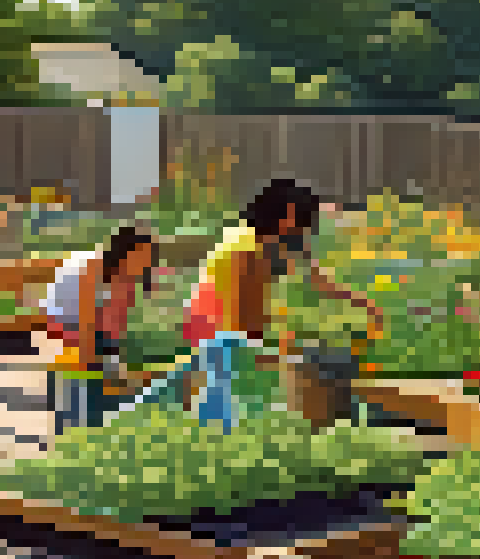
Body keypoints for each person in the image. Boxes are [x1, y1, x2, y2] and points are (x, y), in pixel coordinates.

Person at [181, 179, 386, 431]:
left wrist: (363, 303)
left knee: (324, 363)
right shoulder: (248, 251)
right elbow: (244, 318)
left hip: (226, 338)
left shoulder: (266, 241)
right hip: (221, 343)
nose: (306, 230)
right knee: (326, 369)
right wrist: (274, 351)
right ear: (287, 217)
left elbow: (314, 276)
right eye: (303, 221)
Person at [40, 226, 156, 429]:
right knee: (86, 393)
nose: (144, 264)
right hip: (63, 328)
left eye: (147, 259)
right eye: (140, 256)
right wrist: (91, 368)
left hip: (91, 334)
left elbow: (116, 327)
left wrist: (117, 368)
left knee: (111, 380)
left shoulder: (126, 279)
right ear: (124, 251)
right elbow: (87, 319)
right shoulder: (93, 265)